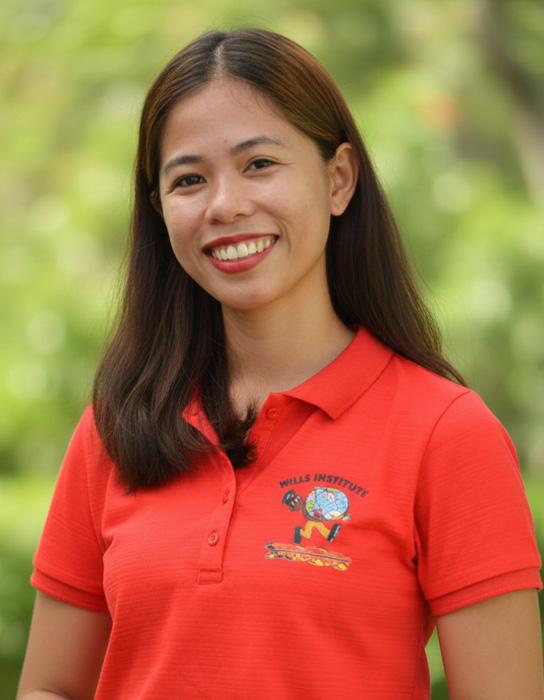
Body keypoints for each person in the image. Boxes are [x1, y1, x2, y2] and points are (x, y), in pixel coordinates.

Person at [17, 27, 543, 700]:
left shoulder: (447, 433)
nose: (225, 205)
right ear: (160, 211)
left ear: (338, 179)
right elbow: (51, 687)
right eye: (188, 180)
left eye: (259, 163)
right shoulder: (116, 427)